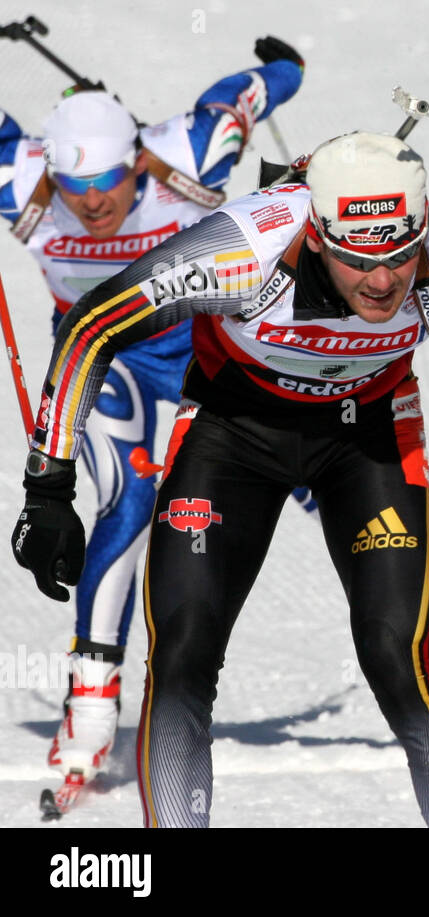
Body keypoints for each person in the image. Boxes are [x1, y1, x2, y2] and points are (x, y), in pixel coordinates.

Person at [11, 130, 429, 826]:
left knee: (399, 657)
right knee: (182, 653)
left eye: (399, 257)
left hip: (365, 435)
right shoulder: (241, 251)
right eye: (359, 260)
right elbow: (93, 324)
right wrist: (49, 485)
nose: (383, 281)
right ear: (318, 234)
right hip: (232, 432)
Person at [0, 39, 304, 791]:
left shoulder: (190, 153)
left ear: (137, 161)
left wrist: (284, 63)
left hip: (206, 345)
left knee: (317, 475)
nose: (93, 202)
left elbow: (248, 93)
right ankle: (92, 706)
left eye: (105, 181)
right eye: (74, 187)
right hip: (111, 360)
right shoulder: (18, 179)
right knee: (128, 498)